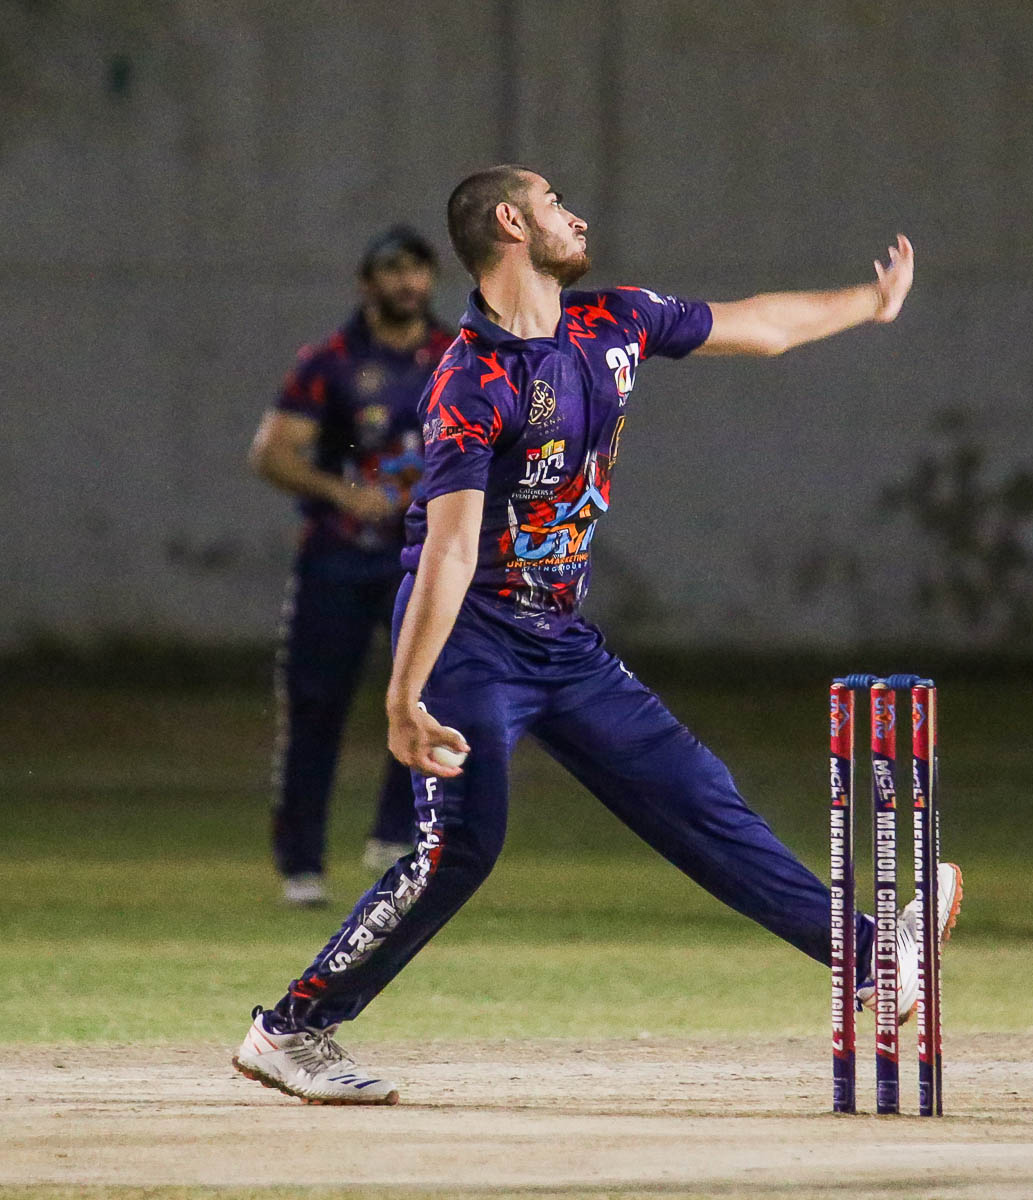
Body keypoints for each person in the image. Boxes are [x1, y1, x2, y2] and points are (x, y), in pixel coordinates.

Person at [233, 167, 963, 1101]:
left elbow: (762, 326)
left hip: (559, 639)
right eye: (553, 204)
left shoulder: (612, 321)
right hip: (469, 641)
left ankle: (869, 961)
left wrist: (870, 301)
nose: (576, 217)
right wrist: (405, 696)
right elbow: (450, 549)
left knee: (695, 793)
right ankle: (291, 1028)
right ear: (510, 223)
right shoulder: (469, 380)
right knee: (460, 849)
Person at [249, 226, 454, 906]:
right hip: (338, 559)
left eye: (418, 269)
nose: (408, 282)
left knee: (429, 695)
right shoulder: (330, 361)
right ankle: (301, 865)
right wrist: (343, 495)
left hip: (421, 561)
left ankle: (398, 836)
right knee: (315, 707)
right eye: (393, 269)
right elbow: (272, 453)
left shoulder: (455, 356)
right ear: (367, 282)